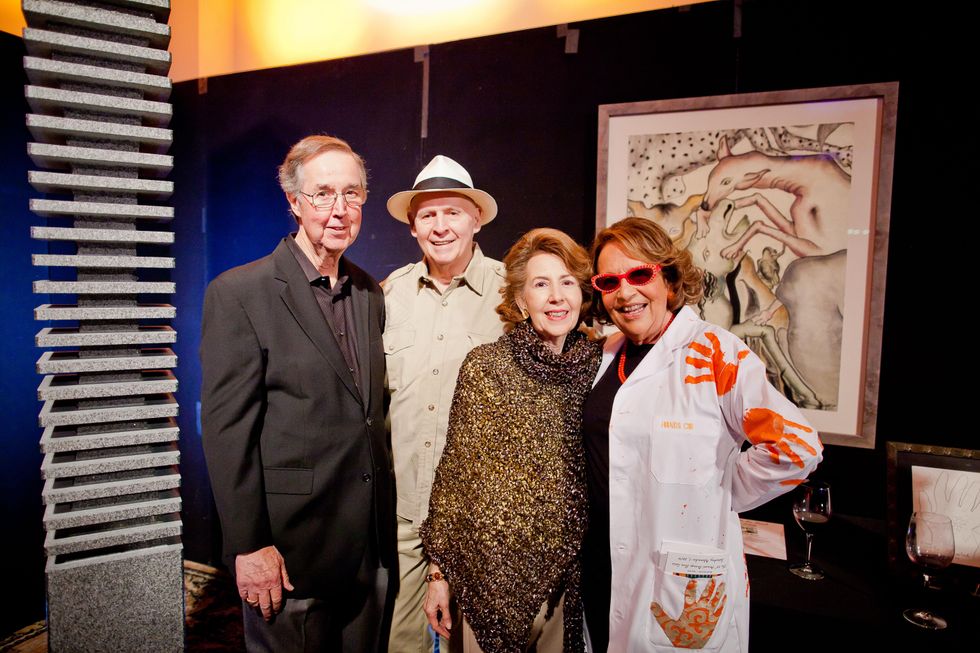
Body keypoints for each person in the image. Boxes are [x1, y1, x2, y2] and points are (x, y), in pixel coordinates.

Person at [581, 217, 822, 652]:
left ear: (670, 280)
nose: (625, 292)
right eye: (609, 281)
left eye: (640, 275)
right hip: (601, 568)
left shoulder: (714, 353)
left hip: (678, 582)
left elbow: (797, 447)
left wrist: (722, 490)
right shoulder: (604, 355)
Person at [200, 135, 395, 652]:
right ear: (294, 202)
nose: (339, 209)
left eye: (351, 194)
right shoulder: (240, 293)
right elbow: (227, 432)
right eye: (323, 194)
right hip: (290, 555)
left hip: (368, 554)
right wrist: (249, 546)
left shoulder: (369, 292)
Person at [420, 228, 602, 652]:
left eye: (567, 282)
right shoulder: (486, 366)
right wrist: (439, 576)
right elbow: (454, 483)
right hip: (489, 580)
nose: (556, 297)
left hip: (568, 579)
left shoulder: (599, 366)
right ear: (520, 300)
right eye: (540, 285)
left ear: (582, 294)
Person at [383, 155, 506, 653]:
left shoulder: (513, 293)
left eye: (453, 212)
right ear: (413, 227)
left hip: (480, 517)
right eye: (428, 215)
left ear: (476, 219)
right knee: (400, 644)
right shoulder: (388, 295)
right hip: (405, 514)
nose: (440, 227)